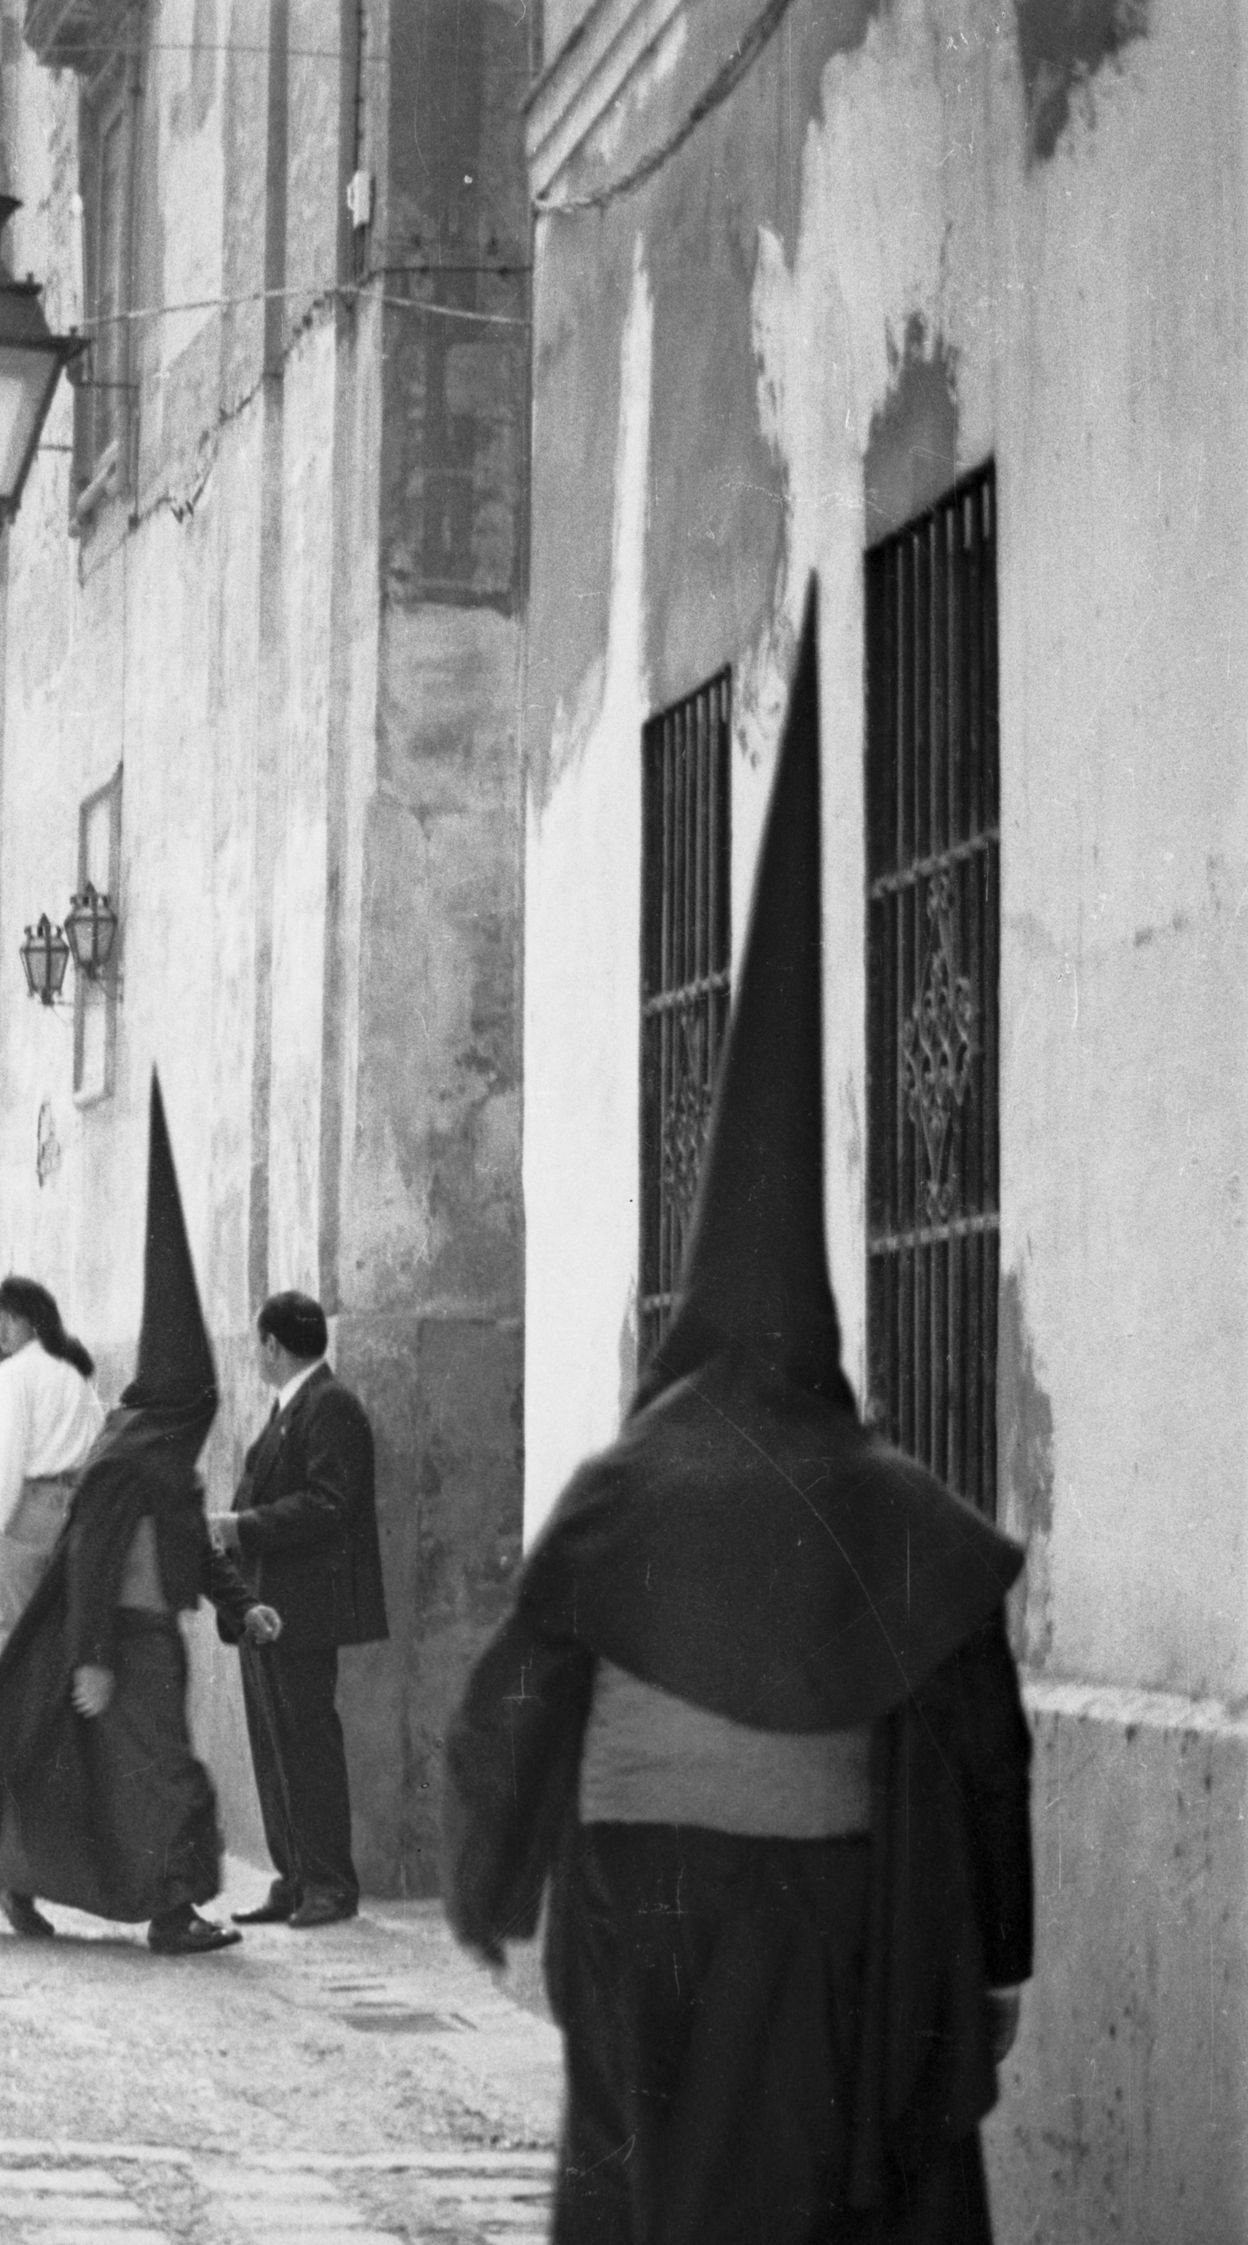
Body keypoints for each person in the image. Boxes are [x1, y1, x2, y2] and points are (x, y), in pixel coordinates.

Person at [443, 586, 1033, 2245]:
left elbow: (521, 1684)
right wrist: (994, 1960)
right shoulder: (890, 1499)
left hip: (642, 1898)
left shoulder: (626, 1488)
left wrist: (492, 1886)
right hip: (833, 1908)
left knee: (647, 2192)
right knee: (811, 2192)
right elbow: (988, 1754)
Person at [0, 1073, 282, 1954]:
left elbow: (187, 1543)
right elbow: (92, 1561)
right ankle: (167, 1914)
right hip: (116, 1643)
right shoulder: (124, 1457)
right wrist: (95, 1657)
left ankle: (26, 1885)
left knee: (112, 1779)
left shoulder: (162, 1459)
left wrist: (237, 1602)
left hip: (150, 1639)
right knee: (159, 1779)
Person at [208, 1289, 387, 1930]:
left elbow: (327, 1504)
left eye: (259, 1344)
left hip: (304, 1609)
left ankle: (330, 1885)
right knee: (276, 1745)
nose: (257, 1355)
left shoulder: (328, 1406)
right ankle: (295, 1878)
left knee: (305, 1743)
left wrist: (241, 1526)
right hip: (271, 1607)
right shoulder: (295, 1405)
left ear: (273, 1346)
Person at [0, 1277, 105, 1643]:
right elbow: (100, 1440)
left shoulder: (11, 1374)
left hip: (31, 1513)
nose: (0, 1329)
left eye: (11, 1318)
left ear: (35, 1321)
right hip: (81, 1511)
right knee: (72, 1632)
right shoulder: (73, 1372)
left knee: (22, 1638)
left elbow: (8, 1454)